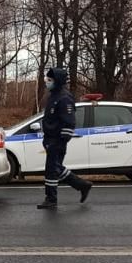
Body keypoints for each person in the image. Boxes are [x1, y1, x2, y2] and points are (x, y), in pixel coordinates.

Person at [38, 68, 92, 209]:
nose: (47, 83)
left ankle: (51, 199)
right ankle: (82, 185)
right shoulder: (53, 96)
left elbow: (69, 122)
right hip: (50, 138)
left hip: (57, 140)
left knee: (51, 169)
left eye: (50, 80)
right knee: (55, 169)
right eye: (47, 80)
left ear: (58, 81)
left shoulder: (64, 98)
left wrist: (61, 140)